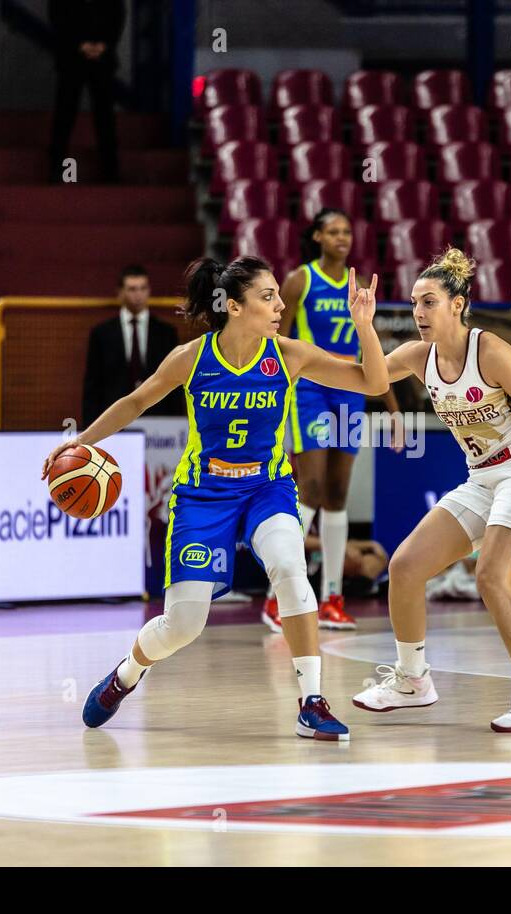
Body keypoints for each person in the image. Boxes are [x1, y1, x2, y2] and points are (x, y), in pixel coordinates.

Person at [44, 255, 388, 740]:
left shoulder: (289, 354)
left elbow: (373, 382)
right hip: (203, 497)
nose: (279, 305)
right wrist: (83, 441)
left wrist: (364, 326)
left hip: (266, 489)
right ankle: (125, 675)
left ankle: (312, 701)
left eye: (278, 296)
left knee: (290, 567)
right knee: (184, 625)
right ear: (233, 306)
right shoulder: (192, 358)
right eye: (267, 297)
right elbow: (135, 402)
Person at [350, 249, 511, 733]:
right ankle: (413, 681)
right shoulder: (416, 356)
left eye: (429, 302)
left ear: (458, 304)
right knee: (405, 567)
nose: (419, 313)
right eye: (413, 304)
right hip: (482, 479)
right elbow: (368, 380)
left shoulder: (489, 351)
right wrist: (363, 326)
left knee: (493, 578)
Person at [261, 208, 403, 633]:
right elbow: (276, 341)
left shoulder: (358, 286)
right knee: (313, 488)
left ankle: (331, 598)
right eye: (334, 231)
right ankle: (276, 599)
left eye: (348, 231)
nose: (343, 237)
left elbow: (370, 353)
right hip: (308, 389)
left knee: (339, 494)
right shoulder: (300, 280)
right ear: (318, 237)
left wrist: (393, 410)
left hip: (351, 388)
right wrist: (270, 397)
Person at [81, 265, 182, 426]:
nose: (138, 295)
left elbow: (176, 383)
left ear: (149, 290)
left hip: (159, 421)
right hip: (114, 419)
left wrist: (178, 423)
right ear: (120, 292)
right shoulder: (102, 334)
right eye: (132, 289)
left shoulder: (166, 333)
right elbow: (93, 386)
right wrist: (89, 427)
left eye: (142, 288)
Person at [48, 0, 124, 183]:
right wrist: (85, 45)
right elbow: (57, 15)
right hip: (73, 57)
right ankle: (57, 167)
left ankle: (109, 170)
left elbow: (118, 14)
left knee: (103, 115)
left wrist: (103, 45)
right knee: (66, 113)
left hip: (94, 58)